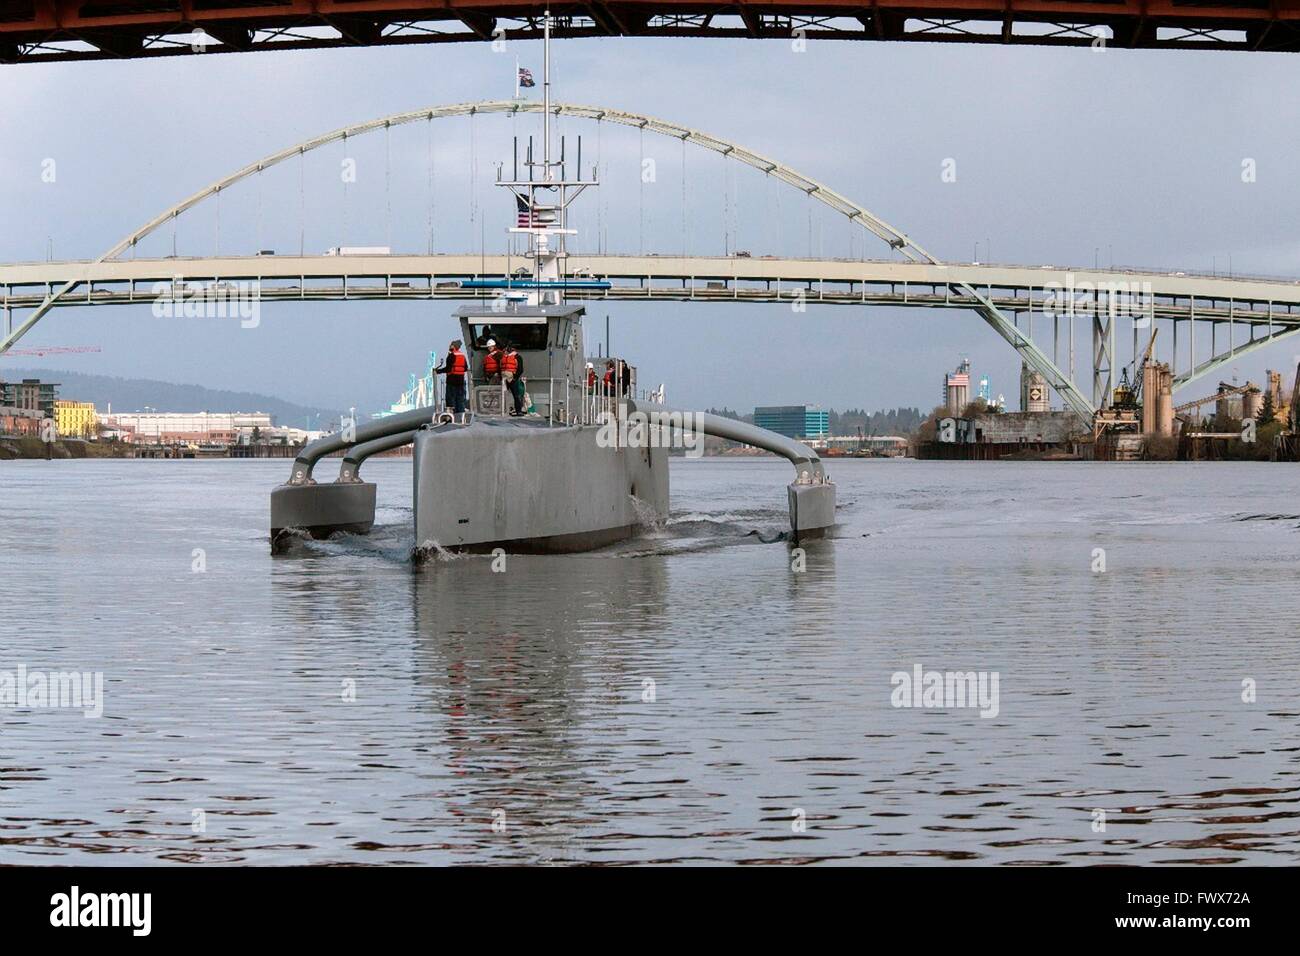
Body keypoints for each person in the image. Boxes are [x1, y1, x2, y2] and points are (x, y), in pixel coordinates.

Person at [436, 339, 469, 415]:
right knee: (460, 399)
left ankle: (452, 415)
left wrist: (438, 371)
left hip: (452, 381)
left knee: (451, 399)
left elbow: (448, 369)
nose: (449, 346)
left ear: (454, 346)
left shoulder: (451, 356)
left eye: (451, 345)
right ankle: (461, 415)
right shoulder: (462, 356)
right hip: (461, 381)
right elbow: (465, 368)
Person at [501, 344, 526, 415]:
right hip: (505, 379)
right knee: (504, 395)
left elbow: (520, 369)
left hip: (512, 379)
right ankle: (504, 411)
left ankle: (518, 411)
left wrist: (514, 378)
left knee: (516, 395)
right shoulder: (504, 357)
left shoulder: (517, 357)